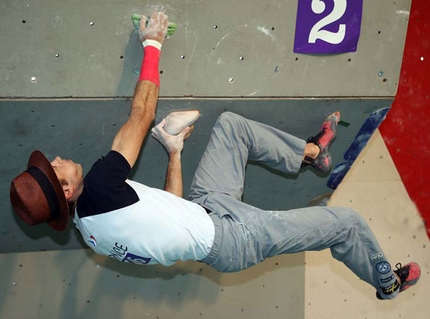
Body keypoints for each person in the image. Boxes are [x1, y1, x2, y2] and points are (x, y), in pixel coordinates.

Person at [10, 11, 420, 301]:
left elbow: (172, 213)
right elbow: (142, 113)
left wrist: (175, 153)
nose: (58, 157)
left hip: (206, 209)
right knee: (346, 223)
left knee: (231, 127)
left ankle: (313, 152)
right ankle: (387, 283)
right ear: (65, 190)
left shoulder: (92, 233)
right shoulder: (99, 187)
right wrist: (153, 43)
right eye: (55, 166)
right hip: (234, 238)